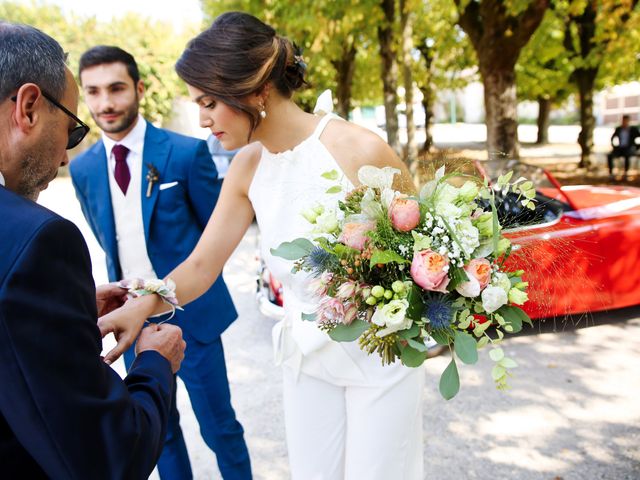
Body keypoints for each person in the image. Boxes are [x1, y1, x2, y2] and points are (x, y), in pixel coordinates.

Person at [98, 12, 424, 480]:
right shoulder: (247, 166)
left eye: (209, 102)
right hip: (306, 359)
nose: (203, 119)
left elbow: (423, 250)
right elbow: (202, 264)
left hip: (382, 356)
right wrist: (140, 306)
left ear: (255, 90)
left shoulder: (359, 148)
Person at [0, 22, 186, 479]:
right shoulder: (40, 239)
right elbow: (110, 459)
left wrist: (68, 308)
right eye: (71, 129)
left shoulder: (184, 152)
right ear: (28, 108)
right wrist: (155, 365)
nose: (65, 156)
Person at [69, 46, 251, 480]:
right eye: (93, 92)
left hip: (195, 318)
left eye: (116, 88)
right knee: (157, 432)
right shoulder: (84, 168)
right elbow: (105, 238)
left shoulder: (187, 154)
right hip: (130, 322)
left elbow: (215, 238)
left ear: (139, 88)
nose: (105, 103)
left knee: (220, 428)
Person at [607, 114, 640, 181]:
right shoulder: (619, 129)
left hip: (629, 148)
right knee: (610, 155)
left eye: (626, 121)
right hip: (620, 148)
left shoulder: (633, 130)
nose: (624, 122)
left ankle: (625, 173)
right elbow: (612, 138)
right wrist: (614, 146)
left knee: (627, 155)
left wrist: (637, 147)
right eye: (623, 120)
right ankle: (611, 174)